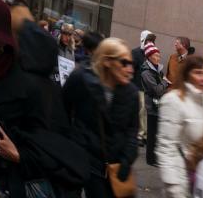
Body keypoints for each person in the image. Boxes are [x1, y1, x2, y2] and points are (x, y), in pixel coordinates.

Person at [0, 0, 81, 198]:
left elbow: (55, 146)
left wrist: (21, 155)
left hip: (12, 182)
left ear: (3, 38)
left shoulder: (31, 83)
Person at [63, 37, 139, 198]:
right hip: (85, 163)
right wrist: (73, 147)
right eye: (124, 63)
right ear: (107, 61)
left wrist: (127, 160)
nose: (130, 69)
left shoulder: (131, 93)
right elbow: (63, 110)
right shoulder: (81, 79)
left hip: (116, 169)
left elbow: (133, 129)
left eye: (131, 64)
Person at [156, 55, 203, 198]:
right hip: (181, 177)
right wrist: (173, 185)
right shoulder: (173, 100)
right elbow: (166, 146)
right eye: (198, 73)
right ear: (187, 74)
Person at [140, 43, 169, 166]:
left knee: (156, 133)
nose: (158, 57)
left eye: (159, 55)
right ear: (149, 57)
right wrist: (165, 82)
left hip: (158, 105)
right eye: (156, 55)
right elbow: (157, 90)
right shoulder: (146, 73)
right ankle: (151, 159)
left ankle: (154, 157)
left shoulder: (157, 69)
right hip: (152, 106)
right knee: (152, 135)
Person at [131, 30, 155, 146]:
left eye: (152, 40)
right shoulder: (135, 53)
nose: (150, 42)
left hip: (148, 88)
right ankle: (140, 135)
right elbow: (131, 70)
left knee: (146, 111)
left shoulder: (152, 54)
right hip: (138, 86)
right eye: (148, 40)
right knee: (141, 111)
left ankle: (144, 134)